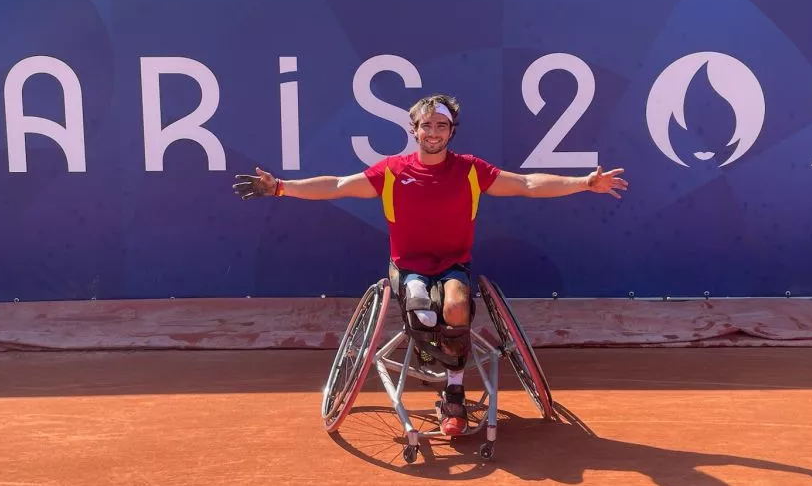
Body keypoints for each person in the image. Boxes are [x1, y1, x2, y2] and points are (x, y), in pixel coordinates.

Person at [233, 94, 627, 436]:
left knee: (455, 306)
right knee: (420, 307)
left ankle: (453, 392)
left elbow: (526, 184)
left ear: (451, 131)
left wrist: (583, 183)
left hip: (453, 265)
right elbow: (336, 185)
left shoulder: (471, 169)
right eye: (426, 125)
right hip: (408, 268)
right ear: (414, 129)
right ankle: (428, 358)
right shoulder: (391, 171)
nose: (434, 131)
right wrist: (281, 187)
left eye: (442, 125)